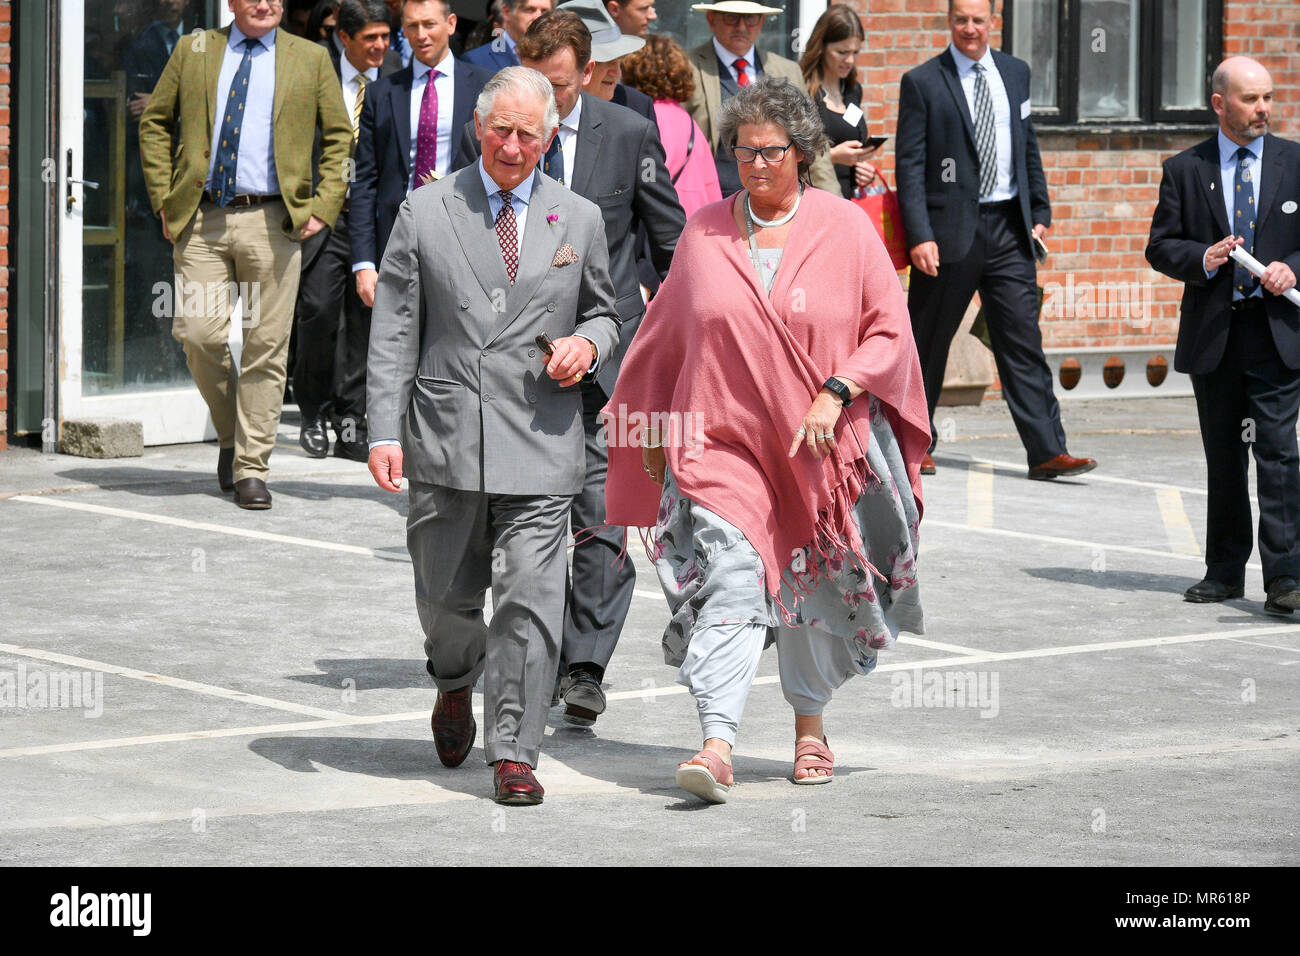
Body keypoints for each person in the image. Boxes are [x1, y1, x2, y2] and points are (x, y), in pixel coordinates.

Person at [603, 76, 929, 803]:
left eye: (771, 152)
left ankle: (809, 729)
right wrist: (645, 427)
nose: (754, 165)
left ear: (804, 153)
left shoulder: (845, 229)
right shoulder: (705, 230)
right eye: (743, 152)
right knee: (733, 576)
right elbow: (663, 338)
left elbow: (889, 331)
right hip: (721, 446)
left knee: (814, 588)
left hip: (819, 451)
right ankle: (717, 741)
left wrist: (837, 389)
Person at [366, 66, 621, 805]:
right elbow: (394, 332)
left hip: (542, 435)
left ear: (550, 137)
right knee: (446, 599)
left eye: (529, 135)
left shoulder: (578, 218)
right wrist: (384, 431)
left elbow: (606, 311)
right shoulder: (425, 210)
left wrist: (592, 346)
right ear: (479, 129)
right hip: (448, 437)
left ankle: (515, 749)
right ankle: (454, 681)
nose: (514, 147)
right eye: (501, 131)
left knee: (530, 600)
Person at [468, 9, 684, 727]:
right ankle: (530, 645)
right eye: (537, 85)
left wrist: (680, 336)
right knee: (526, 519)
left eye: (560, 88)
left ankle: (586, 665)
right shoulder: (503, 140)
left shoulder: (627, 135)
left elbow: (671, 239)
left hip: (609, 360)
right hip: (519, 367)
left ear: (587, 74)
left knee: (602, 513)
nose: (548, 103)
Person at [139, 0, 352, 509]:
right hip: (202, 215)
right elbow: (155, 123)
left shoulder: (309, 56)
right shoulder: (196, 50)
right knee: (197, 333)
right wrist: (163, 200)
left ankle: (251, 465)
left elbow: (339, 137)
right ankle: (233, 432)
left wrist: (323, 206)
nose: (265, 4)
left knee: (266, 347)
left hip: (276, 222)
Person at [896, 0, 1094, 480]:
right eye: (961, 19)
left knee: (1022, 340)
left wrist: (1040, 210)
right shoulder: (923, 81)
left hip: (1009, 228)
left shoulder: (1015, 72)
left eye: (978, 19)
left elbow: (1026, 144)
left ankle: (1047, 451)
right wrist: (919, 235)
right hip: (947, 235)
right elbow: (910, 165)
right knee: (928, 342)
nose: (970, 28)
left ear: (992, 22)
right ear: (950, 21)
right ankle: (913, 444)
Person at [1147, 57, 1300, 615]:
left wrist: (1292, 267)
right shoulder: (1185, 168)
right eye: (1250, 99)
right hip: (1217, 336)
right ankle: (1224, 571)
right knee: (1224, 456)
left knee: (1280, 455)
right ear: (1219, 103)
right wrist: (1202, 258)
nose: (1263, 109)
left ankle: (1286, 576)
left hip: (1277, 334)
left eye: (1267, 98)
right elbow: (1161, 245)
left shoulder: (1295, 162)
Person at [293, 0, 402, 463]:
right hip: (325, 214)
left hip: (374, 218)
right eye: (369, 38)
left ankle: (352, 422)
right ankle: (314, 412)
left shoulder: (398, 71)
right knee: (318, 310)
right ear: (343, 38)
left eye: (385, 36)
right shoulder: (314, 69)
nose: (381, 46)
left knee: (366, 321)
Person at [351, 0, 492, 313]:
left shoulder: (484, 86)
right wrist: (363, 262)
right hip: (398, 233)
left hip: (465, 231)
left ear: (451, 24)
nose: (421, 34)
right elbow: (364, 180)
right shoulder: (381, 93)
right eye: (412, 26)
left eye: (429, 24)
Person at [682, 1, 837, 197]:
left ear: (762, 21)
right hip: (713, 200)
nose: (741, 26)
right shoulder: (686, 69)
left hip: (779, 203)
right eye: (732, 17)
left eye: (750, 18)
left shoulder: (787, 70)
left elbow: (812, 144)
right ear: (711, 19)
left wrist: (834, 202)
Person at [620, 34, 722, 219]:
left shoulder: (645, 119)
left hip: (663, 225)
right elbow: (712, 187)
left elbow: (647, 181)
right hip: (696, 222)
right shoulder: (689, 121)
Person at [799, 3, 877, 200]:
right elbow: (791, 155)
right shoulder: (804, 91)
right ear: (821, 47)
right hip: (813, 200)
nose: (850, 60)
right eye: (842, 52)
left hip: (848, 201)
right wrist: (832, 157)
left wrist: (862, 171)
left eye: (855, 52)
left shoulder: (853, 90)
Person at [558, 0, 654, 123]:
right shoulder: (542, 107)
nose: (616, 72)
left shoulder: (636, 105)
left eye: (618, 60)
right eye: (605, 60)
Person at [461, 0, 553, 70]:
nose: (538, 17)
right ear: (506, 12)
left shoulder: (558, 56)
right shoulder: (476, 60)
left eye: (545, 11)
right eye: (530, 10)